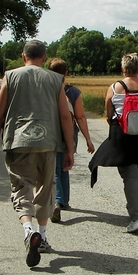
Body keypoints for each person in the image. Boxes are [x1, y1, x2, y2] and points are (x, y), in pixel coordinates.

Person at [0, 40, 75, 268]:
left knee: (21, 188)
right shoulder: (56, 79)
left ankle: (28, 231)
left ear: (23, 55)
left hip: (17, 141)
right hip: (47, 142)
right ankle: (42, 236)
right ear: (44, 58)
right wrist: (69, 148)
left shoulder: (11, 76)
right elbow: (66, 117)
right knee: (45, 189)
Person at [88, 53, 138, 233]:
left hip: (122, 137)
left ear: (123, 69)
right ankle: (134, 206)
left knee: (130, 175)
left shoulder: (114, 88)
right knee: (136, 173)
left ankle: (137, 218)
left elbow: (108, 115)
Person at [48, 58, 95, 223]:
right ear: (66, 73)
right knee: (65, 165)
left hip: (51, 133)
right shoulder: (74, 93)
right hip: (70, 134)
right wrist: (88, 139)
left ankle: (57, 202)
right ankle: (63, 200)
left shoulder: (46, 90)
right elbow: (80, 117)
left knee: (54, 168)